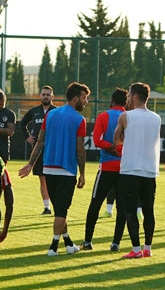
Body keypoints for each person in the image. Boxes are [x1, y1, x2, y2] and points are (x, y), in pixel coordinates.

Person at [18, 82, 89, 256]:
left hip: (48, 168)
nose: (86, 102)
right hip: (66, 170)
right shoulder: (79, 120)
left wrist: (30, 164)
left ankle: (69, 244)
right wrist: (82, 173)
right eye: (84, 98)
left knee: (59, 211)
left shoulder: (50, 115)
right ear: (75, 98)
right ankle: (53, 246)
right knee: (62, 211)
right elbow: (80, 150)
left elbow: (40, 141)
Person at [114, 82, 161, 259]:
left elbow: (116, 140)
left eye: (128, 96)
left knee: (130, 211)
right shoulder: (157, 118)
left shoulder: (126, 116)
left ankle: (135, 249)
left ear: (134, 97)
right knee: (149, 210)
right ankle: (148, 248)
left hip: (130, 170)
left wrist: (126, 137)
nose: (127, 99)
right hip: (149, 170)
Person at [83, 88, 125, 251]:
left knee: (95, 203)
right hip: (124, 169)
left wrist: (110, 147)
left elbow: (97, 140)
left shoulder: (103, 116)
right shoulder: (129, 118)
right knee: (122, 206)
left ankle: (87, 241)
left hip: (107, 167)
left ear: (112, 101)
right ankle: (116, 243)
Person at [19, 85, 56, 214]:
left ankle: (55, 204)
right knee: (42, 177)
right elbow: (22, 123)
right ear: (40, 96)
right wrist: (27, 136)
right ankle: (47, 207)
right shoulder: (34, 111)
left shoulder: (56, 112)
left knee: (52, 177)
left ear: (52, 96)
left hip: (52, 149)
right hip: (37, 150)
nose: (45, 96)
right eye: (43, 94)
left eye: (48, 94)